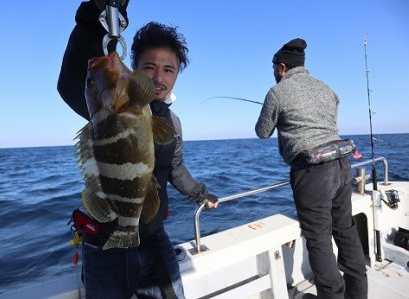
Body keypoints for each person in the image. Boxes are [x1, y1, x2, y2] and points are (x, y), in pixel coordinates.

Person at [57, 1, 218, 298]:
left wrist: (200, 194)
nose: (159, 78)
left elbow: (175, 167)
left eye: (169, 69)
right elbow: (69, 86)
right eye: (149, 67)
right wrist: (94, 19)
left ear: (177, 74)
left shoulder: (173, 121)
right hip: (105, 243)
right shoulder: (112, 108)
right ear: (134, 69)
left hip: (153, 239)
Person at [255, 38, 368, 299]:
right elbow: (328, 124)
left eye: (274, 69)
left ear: (282, 67)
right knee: (345, 229)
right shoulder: (327, 89)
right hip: (341, 166)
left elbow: (262, 132)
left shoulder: (277, 92)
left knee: (318, 239)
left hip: (312, 173)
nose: (274, 73)